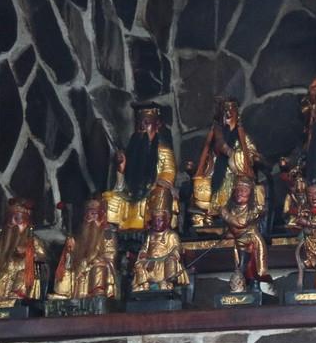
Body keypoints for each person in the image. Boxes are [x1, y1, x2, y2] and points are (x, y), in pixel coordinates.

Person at [190, 98, 260, 229]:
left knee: (238, 185)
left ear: (236, 114)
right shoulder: (216, 134)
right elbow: (207, 154)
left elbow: (251, 153)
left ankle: (232, 214)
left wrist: (233, 154)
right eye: (225, 112)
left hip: (236, 173)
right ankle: (209, 214)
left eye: (230, 112)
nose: (227, 114)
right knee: (204, 185)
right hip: (216, 171)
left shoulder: (242, 136)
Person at [107, 103, 179, 231]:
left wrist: (152, 182)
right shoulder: (130, 152)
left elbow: (168, 175)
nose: (142, 127)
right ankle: (114, 228)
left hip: (152, 191)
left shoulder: (164, 151)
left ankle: (154, 227)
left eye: (146, 123)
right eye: (139, 123)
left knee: (161, 194)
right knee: (111, 196)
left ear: (157, 125)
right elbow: (121, 186)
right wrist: (121, 168)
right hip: (131, 193)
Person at [49, 196, 118, 301]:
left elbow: (110, 254)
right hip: (81, 265)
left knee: (99, 268)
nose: (91, 217)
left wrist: (91, 261)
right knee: (66, 269)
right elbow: (76, 254)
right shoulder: (82, 234)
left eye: (94, 214)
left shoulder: (107, 232)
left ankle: (97, 294)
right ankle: (64, 295)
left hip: (97, 264)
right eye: (89, 214)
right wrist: (70, 249)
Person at [0, 198, 47, 302]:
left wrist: (28, 251)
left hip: (23, 271)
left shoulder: (33, 240)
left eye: (18, 220)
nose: (14, 225)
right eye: (11, 221)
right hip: (5, 273)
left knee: (22, 277)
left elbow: (42, 256)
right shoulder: (2, 241)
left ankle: (17, 297)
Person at [132, 188, 189, 293]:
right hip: (151, 260)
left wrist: (173, 255)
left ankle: (168, 282)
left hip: (165, 260)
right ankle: (144, 284)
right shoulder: (150, 235)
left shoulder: (171, 235)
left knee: (170, 262)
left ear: (167, 221)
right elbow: (145, 247)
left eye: (160, 220)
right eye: (155, 221)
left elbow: (177, 247)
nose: (157, 223)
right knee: (139, 264)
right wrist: (143, 253)